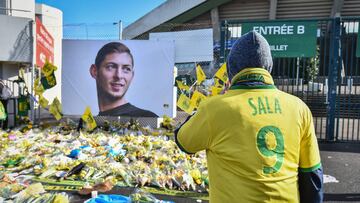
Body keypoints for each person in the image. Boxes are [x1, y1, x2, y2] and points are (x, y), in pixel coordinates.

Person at [175, 31, 323, 203]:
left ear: (231, 69)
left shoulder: (214, 108)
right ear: (268, 66)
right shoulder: (299, 108)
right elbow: (312, 176)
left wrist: (205, 107)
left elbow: (184, 141)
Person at [90, 42, 158, 117]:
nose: (119, 75)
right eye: (111, 67)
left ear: (132, 75)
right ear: (94, 71)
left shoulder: (148, 119)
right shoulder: (89, 123)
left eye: (126, 69)